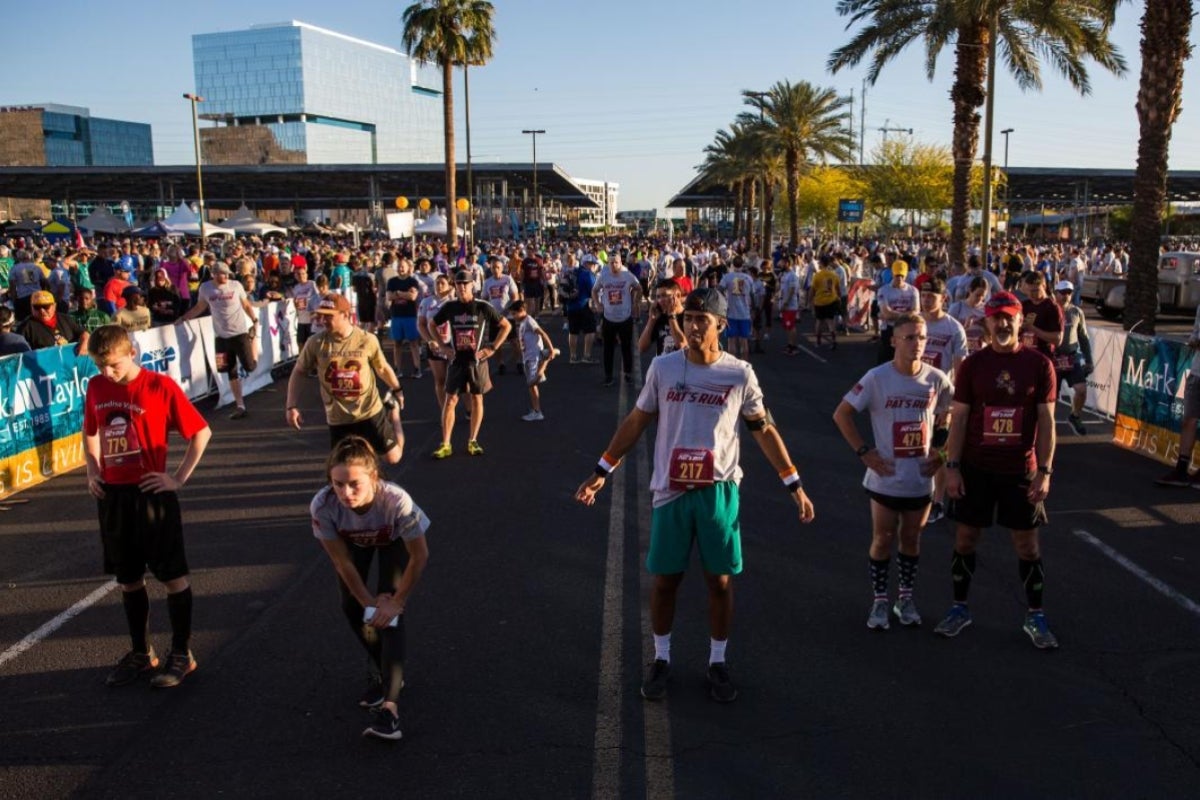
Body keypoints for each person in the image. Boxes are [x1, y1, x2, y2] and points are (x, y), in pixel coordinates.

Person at [575, 288, 816, 703]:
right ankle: (662, 658)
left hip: (718, 491)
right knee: (665, 580)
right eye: (688, 317)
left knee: (719, 581)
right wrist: (603, 470)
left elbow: (763, 429)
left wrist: (793, 483)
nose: (693, 324)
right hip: (671, 489)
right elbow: (638, 419)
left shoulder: (738, 373)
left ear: (721, 324)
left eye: (702, 318)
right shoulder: (664, 368)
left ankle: (717, 661)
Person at [83, 324, 212, 688]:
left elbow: (201, 432)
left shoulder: (159, 386)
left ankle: (181, 653)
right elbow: (90, 430)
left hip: (152, 494)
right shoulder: (95, 387)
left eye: (113, 365)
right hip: (113, 497)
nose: (106, 373)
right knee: (128, 579)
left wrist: (178, 478)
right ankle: (141, 654)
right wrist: (93, 470)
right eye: (99, 365)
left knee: (171, 577)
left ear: (131, 353)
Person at [936, 291, 1060, 649]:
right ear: (985, 322)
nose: (1002, 323)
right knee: (965, 539)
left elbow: (1047, 422)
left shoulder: (1039, 364)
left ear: (1021, 321)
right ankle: (959, 608)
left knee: (1027, 546)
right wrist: (953, 468)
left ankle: (1035, 615)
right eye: (996, 317)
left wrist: (1045, 471)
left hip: (1020, 470)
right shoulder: (973, 365)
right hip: (976, 468)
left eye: (1009, 317)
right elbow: (958, 419)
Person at [833, 312, 954, 630]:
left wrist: (941, 452)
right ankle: (879, 602)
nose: (918, 344)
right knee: (882, 539)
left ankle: (905, 598)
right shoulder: (876, 377)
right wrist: (864, 452)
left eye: (923, 337)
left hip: (920, 479)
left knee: (912, 540)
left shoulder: (936, 379)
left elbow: (951, 416)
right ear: (894, 341)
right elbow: (842, 414)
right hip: (885, 477)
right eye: (910, 337)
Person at [310, 436, 429, 740]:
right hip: (354, 543)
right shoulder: (323, 505)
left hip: (391, 541)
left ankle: (390, 709)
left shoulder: (396, 500)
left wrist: (396, 602)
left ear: (373, 477)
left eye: (354, 484)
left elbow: (419, 555)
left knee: (388, 613)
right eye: (337, 484)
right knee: (353, 607)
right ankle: (382, 667)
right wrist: (367, 603)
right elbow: (343, 564)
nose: (345, 493)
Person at [286, 293, 405, 464]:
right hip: (338, 417)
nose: (322, 320)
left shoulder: (367, 340)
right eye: (321, 315)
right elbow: (299, 371)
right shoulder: (316, 342)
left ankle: (393, 414)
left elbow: (382, 368)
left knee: (393, 458)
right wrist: (291, 406)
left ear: (346, 315)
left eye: (329, 316)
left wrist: (397, 389)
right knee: (344, 467)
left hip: (368, 410)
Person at [430, 270, 512, 458]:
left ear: (472, 285)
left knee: (477, 399)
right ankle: (446, 443)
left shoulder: (483, 306)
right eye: (458, 284)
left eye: (465, 284)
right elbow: (431, 325)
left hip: (477, 361)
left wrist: (492, 348)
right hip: (457, 360)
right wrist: (443, 347)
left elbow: (506, 326)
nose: (462, 287)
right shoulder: (450, 307)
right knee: (450, 400)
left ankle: (473, 440)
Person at [177, 262, 258, 419]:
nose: (226, 277)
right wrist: (183, 318)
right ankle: (240, 405)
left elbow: (246, 304)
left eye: (227, 273)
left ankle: (253, 339)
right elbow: (200, 307)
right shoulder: (206, 288)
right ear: (214, 274)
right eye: (222, 274)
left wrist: (254, 319)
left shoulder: (235, 285)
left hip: (240, 333)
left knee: (250, 366)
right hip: (220, 337)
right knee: (228, 370)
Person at [1156, 299, 1200, 487]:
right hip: (1197, 372)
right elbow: (1195, 333)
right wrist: (1194, 340)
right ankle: (1181, 469)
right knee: (1188, 419)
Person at [1053, 280, 1093, 438]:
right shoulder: (1050, 310)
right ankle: (1045, 424)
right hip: (1053, 359)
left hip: (1071, 358)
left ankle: (1075, 416)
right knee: (1051, 397)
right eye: (1062, 293)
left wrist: (1089, 360)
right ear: (1055, 293)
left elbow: (1084, 338)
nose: (1065, 296)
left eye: (1068, 293)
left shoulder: (1077, 312)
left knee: (1081, 390)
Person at [593, 255, 642, 387]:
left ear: (621, 263)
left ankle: (628, 374)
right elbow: (594, 290)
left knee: (626, 347)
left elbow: (639, 288)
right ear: (608, 264)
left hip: (625, 317)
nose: (614, 265)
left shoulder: (628, 275)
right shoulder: (603, 276)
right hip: (608, 317)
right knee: (608, 349)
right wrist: (597, 304)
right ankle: (608, 376)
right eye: (611, 263)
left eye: (616, 262)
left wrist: (635, 303)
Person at [510, 299, 557, 421]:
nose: (513, 316)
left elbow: (542, 333)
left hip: (533, 358)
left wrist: (551, 348)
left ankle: (537, 411)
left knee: (531, 385)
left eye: (514, 313)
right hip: (528, 357)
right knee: (531, 385)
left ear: (522, 311)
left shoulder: (529, 321)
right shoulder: (523, 322)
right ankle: (545, 360)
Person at [417, 273, 455, 412]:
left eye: (442, 283)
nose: (439, 286)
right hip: (435, 346)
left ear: (450, 286)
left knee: (457, 379)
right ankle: (445, 410)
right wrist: (429, 340)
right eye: (437, 283)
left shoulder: (454, 302)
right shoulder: (426, 302)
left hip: (452, 344)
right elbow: (421, 324)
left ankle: (468, 408)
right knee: (440, 379)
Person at [386, 258, 424, 379]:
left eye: (403, 266)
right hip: (396, 316)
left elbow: (413, 297)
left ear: (408, 268)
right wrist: (404, 294)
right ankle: (397, 369)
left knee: (413, 343)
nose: (400, 268)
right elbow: (389, 297)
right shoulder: (391, 281)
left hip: (410, 316)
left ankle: (417, 368)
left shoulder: (413, 281)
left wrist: (397, 293)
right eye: (399, 266)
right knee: (397, 343)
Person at [876, 261, 920, 364]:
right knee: (886, 359)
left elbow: (916, 311)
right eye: (897, 275)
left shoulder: (913, 291)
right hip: (889, 329)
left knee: (905, 358)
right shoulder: (883, 290)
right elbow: (886, 313)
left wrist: (893, 314)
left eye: (902, 276)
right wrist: (907, 314)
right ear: (892, 274)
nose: (899, 278)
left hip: (907, 329)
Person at [18, 290, 89, 352]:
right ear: (31, 307)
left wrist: (85, 341)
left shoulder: (65, 318)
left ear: (54, 306)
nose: (42, 311)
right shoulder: (25, 327)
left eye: (46, 307)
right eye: (37, 307)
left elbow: (83, 333)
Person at [563, 255, 597, 363]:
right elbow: (593, 290)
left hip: (570, 306)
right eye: (592, 264)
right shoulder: (587, 274)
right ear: (587, 264)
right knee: (590, 330)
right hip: (584, 305)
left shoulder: (572, 272)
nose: (594, 267)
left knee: (573, 332)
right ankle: (586, 356)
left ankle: (572, 356)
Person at [638, 278, 686, 356]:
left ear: (678, 295)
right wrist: (651, 320)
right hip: (661, 367)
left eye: (664, 295)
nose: (660, 300)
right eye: (658, 297)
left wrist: (671, 315)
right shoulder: (659, 317)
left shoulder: (688, 317)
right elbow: (641, 347)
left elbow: (682, 345)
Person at [718, 257, 754, 359]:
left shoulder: (727, 277)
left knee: (731, 340)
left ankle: (732, 365)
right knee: (744, 341)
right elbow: (753, 295)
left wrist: (724, 300)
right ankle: (745, 364)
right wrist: (754, 308)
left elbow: (719, 289)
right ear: (743, 265)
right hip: (745, 313)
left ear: (732, 265)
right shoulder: (748, 278)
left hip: (731, 312)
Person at [808, 254, 842, 350]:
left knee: (819, 321)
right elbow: (838, 289)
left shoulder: (817, 275)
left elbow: (812, 290)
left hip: (820, 301)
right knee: (830, 322)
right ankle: (834, 341)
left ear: (822, 263)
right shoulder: (834, 274)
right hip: (831, 300)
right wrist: (838, 297)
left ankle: (818, 341)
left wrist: (810, 301)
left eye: (819, 262)